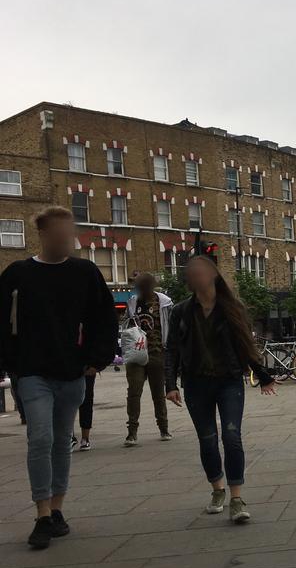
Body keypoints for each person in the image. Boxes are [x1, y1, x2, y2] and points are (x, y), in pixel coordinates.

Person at [0, 207, 118, 549]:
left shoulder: (85, 272)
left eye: (70, 232)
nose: (68, 238)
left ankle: (56, 509)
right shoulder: (18, 274)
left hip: (72, 373)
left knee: (61, 440)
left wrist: (96, 360)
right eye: (61, 232)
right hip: (32, 371)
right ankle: (41, 515)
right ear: (43, 234)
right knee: (40, 437)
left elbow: (103, 318)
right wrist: (11, 363)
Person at [164, 255, 277, 524]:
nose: (196, 277)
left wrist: (263, 375)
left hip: (229, 381)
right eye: (192, 273)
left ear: (214, 275)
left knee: (232, 436)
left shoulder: (232, 307)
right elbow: (172, 349)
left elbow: (245, 344)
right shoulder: (181, 311)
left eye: (201, 272)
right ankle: (217, 489)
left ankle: (236, 499)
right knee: (207, 439)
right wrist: (170, 385)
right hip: (196, 383)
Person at [124, 273, 174, 446]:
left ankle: (164, 428)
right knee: (134, 392)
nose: (142, 289)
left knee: (158, 393)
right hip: (136, 354)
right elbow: (126, 325)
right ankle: (132, 432)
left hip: (157, 352)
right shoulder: (132, 303)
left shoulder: (164, 303)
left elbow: (171, 326)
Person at [77, 374, 96, 451]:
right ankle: (70, 436)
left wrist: (96, 368)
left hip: (86, 370)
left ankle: (85, 438)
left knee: (86, 398)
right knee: (66, 401)